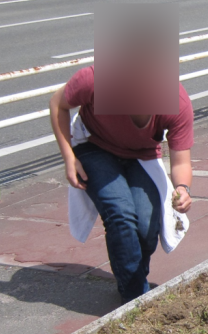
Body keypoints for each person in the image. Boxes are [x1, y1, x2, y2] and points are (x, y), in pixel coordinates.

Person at [49, 65, 194, 304]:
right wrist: (69, 158)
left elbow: (181, 162)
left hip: (142, 155)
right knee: (121, 214)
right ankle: (135, 296)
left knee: (147, 229)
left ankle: (134, 279)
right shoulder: (95, 80)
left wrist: (182, 188)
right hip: (94, 146)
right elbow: (57, 104)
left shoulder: (177, 103)